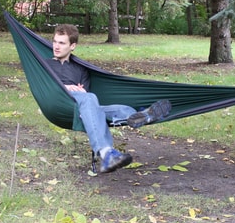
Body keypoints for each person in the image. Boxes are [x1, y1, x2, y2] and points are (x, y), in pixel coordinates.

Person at [48, 23, 171, 173]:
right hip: (60, 103)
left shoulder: (80, 69)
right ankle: (106, 153)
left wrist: (81, 92)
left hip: (83, 107)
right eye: (54, 41)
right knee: (89, 98)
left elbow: (84, 91)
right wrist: (66, 87)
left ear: (72, 46)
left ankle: (143, 116)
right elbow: (46, 87)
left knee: (120, 108)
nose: (56, 46)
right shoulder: (46, 65)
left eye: (61, 43)